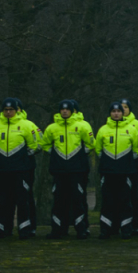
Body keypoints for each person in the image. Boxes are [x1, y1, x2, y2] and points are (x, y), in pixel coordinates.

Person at [0, 98, 41, 240]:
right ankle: (1, 229)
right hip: (1, 170)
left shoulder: (28, 125)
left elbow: (36, 146)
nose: (8, 112)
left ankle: (25, 230)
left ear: (18, 110)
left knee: (23, 200)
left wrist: (20, 158)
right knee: (1, 200)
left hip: (22, 170)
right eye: (6, 110)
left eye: (11, 110)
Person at [40, 99, 92, 239]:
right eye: (62, 109)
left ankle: (81, 229)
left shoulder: (82, 126)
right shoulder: (52, 128)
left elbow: (90, 144)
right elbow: (44, 144)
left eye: (67, 109)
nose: (64, 111)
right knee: (58, 201)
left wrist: (78, 157)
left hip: (77, 171)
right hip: (59, 171)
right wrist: (57, 156)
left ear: (72, 110)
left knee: (78, 200)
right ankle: (58, 230)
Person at [93, 101, 138, 239]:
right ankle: (106, 230)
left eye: (119, 111)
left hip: (125, 172)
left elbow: (137, 149)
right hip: (107, 172)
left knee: (125, 202)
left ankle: (126, 229)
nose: (116, 114)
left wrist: (126, 162)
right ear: (110, 113)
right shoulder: (103, 129)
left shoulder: (132, 129)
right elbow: (98, 149)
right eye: (113, 111)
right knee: (107, 202)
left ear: (122, 113)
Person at [118, 98, 138, 232]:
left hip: (132, 166)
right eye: (120, 107)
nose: (123, 110)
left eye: (125, 107)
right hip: (116, 167)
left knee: (132, 195)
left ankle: (135, 224)